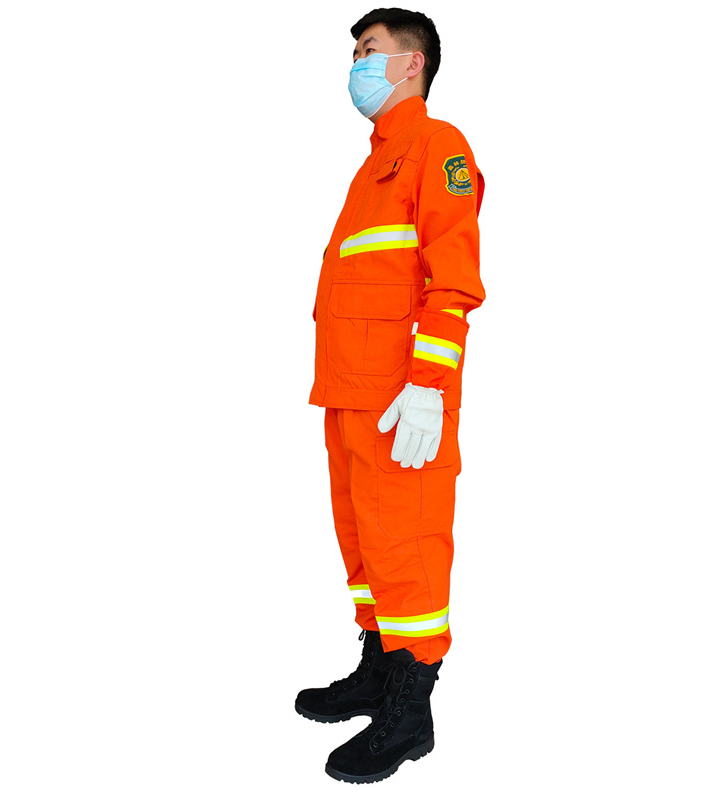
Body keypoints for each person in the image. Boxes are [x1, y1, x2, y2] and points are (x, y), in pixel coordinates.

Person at [296, 7, 486, 784]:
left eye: (368, 51)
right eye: (353, 54)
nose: (356, 66)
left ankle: (411, 711)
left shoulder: (438, 148)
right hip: (348, 395)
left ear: (412, 64)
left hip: (400, 400)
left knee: (406, 548)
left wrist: (428, 386)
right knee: (365, 545)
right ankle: (379, 667)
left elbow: (454, 279)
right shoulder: (374, 165)